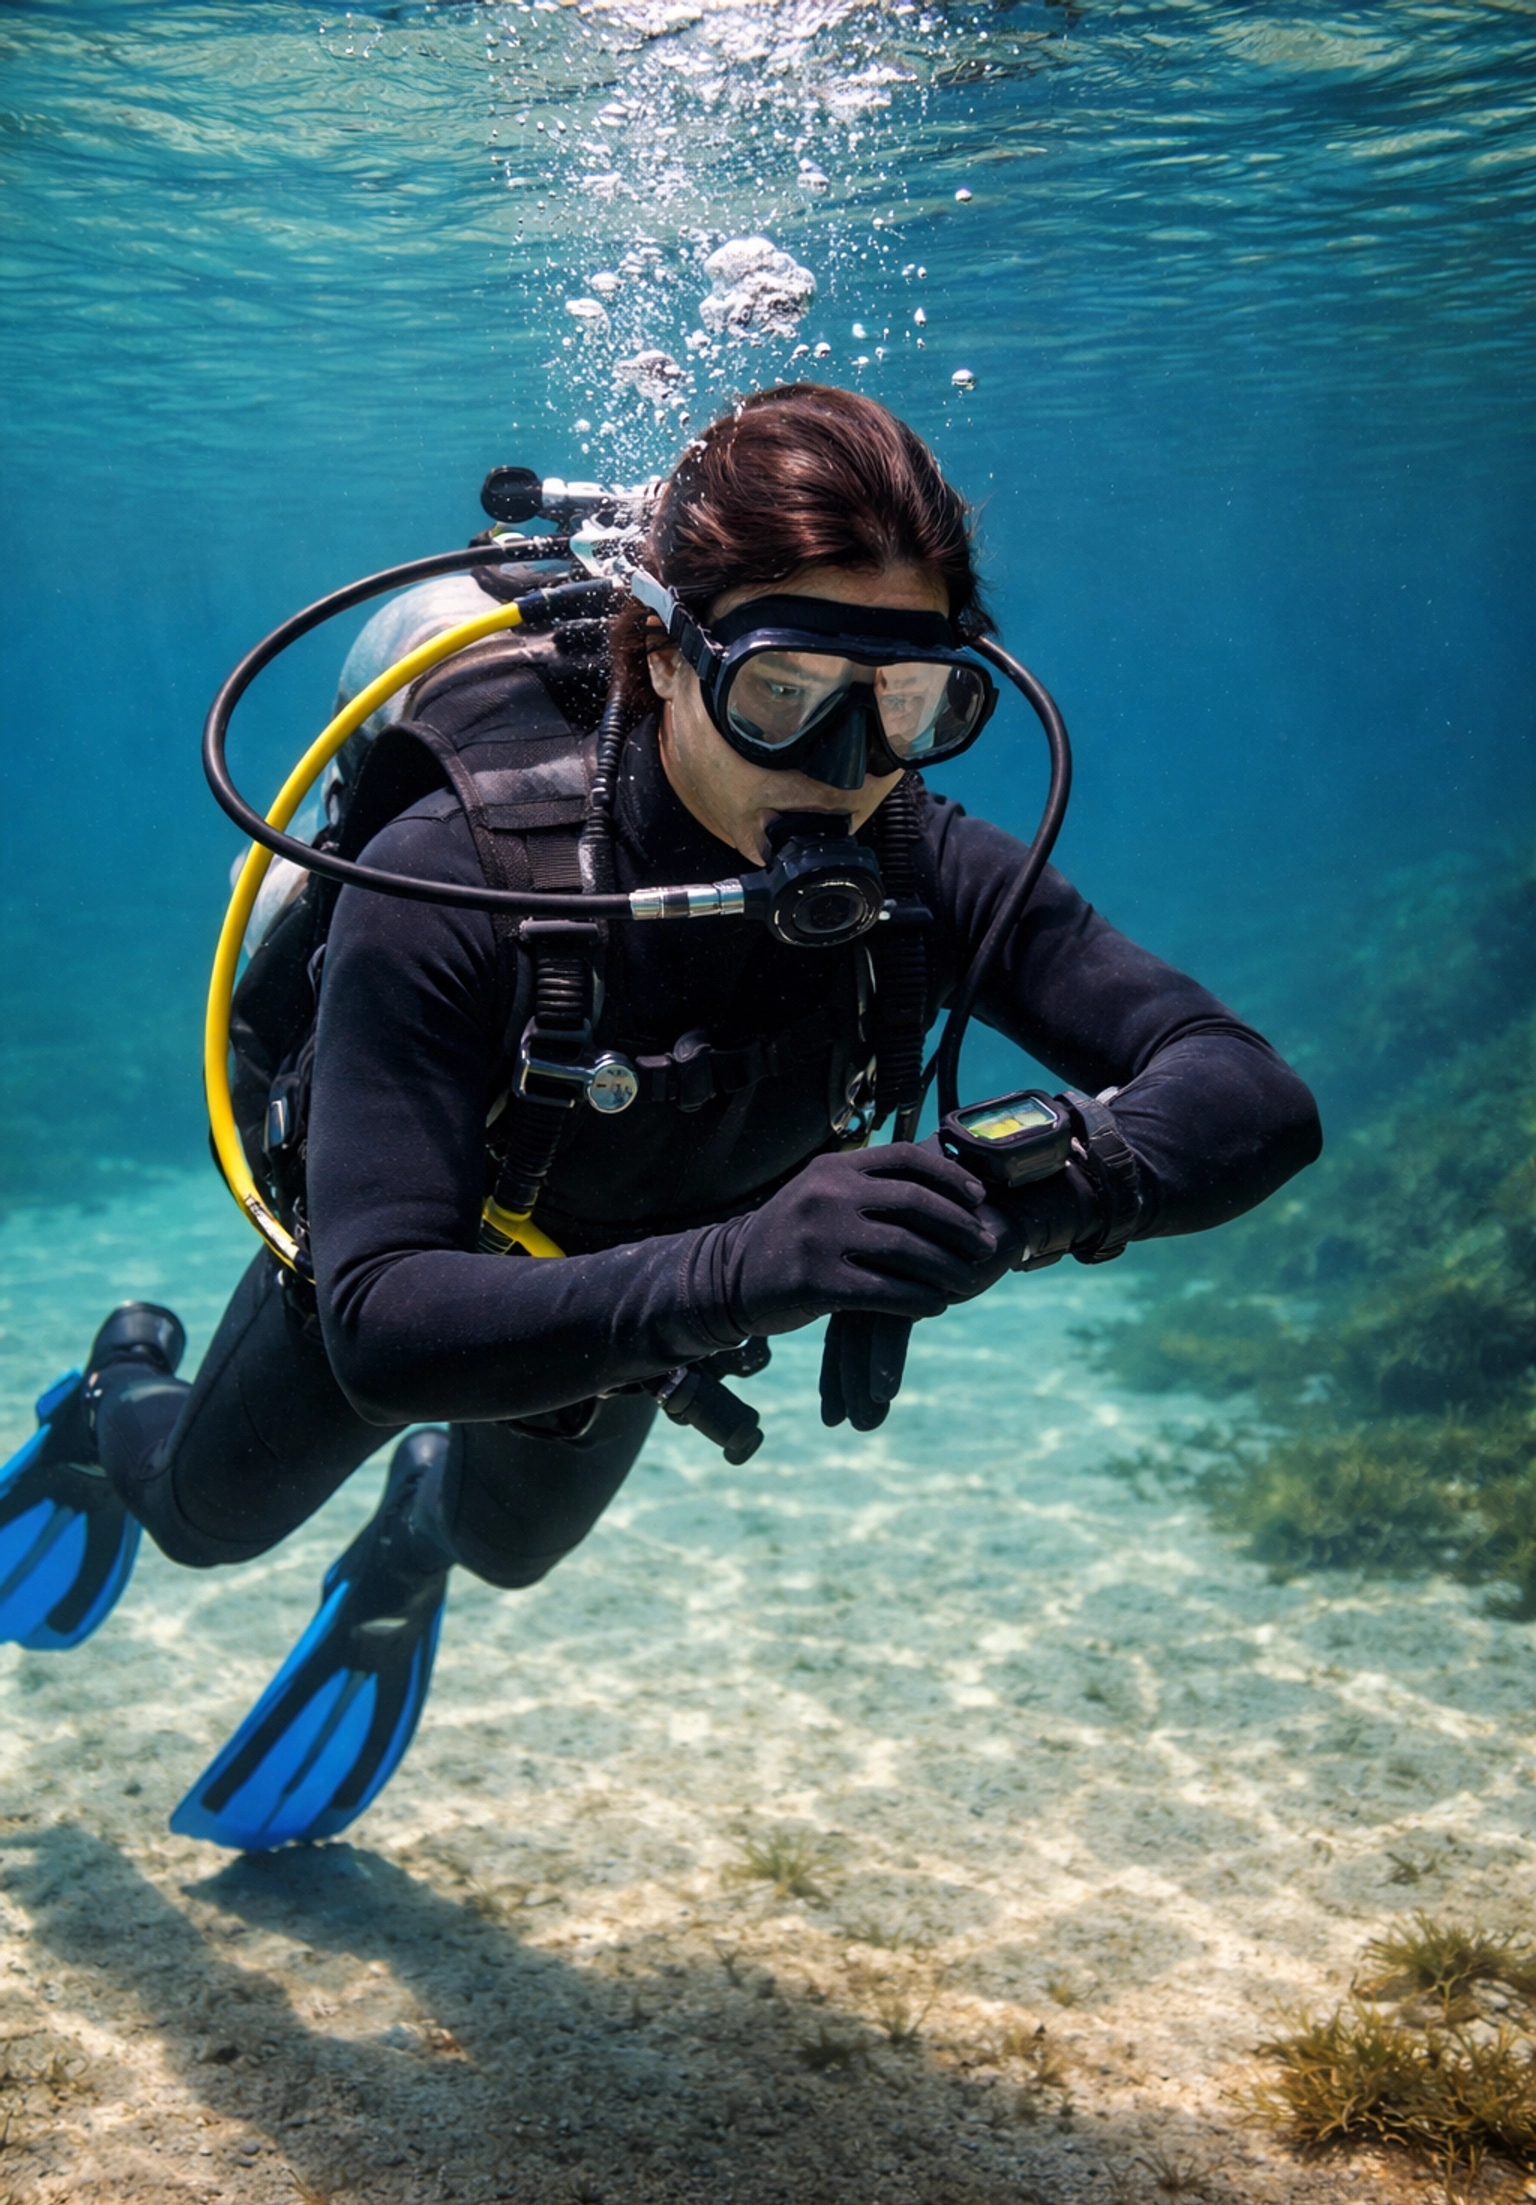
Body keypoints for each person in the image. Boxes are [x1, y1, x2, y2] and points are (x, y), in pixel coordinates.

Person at [0, 386, 1321, 1850]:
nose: (844, 767)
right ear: (659, 650)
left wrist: (1006, 1196)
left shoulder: (920, 855)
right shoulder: (452, 875)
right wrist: (743, 1270)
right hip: (422, 1283)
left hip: (630, 1329)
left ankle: (409, 1541)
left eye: (905, 705)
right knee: (203, 1525)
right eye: (782, 690)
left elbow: (1246, 1093)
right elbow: (379, 1318)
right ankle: (111, 1388)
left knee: (505, 1556)